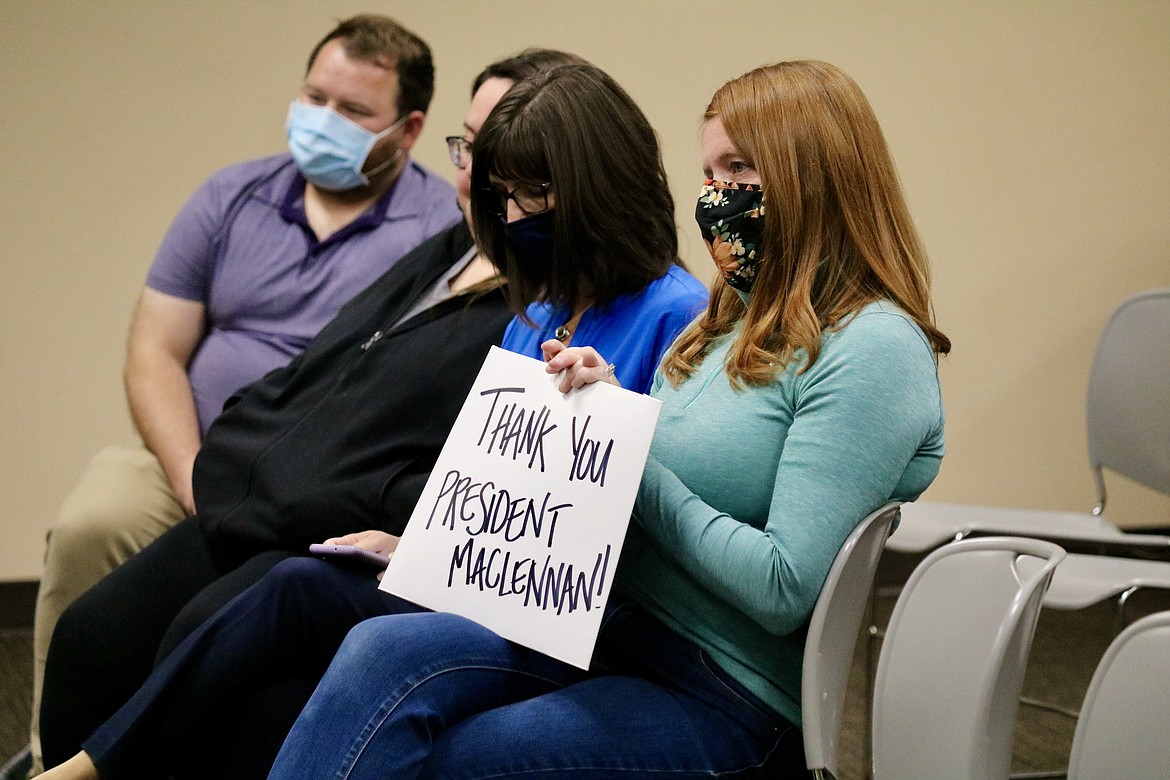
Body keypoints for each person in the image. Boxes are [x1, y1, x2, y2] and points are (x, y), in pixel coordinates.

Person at [263, 59, 952, 779]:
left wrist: (631, 459)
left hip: (726, 689)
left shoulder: (873, 347)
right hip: (608, 627)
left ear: (814, 175)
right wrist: (605, 408)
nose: (715, 196)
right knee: (377, 649)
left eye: (739, 168)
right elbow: (664, 470)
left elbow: (783, 588)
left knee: (464, 759)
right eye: (710, 170)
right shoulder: (731, 320)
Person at [37, 58, 708, 778]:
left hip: (565, 620)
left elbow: (649, 515)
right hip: (473, 580)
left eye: (533, 193)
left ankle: (89, 770)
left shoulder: (677, 311)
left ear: (598, 185)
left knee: (287, 620)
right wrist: (414, 539)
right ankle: (91, 766)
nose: (512, 217)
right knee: (282, 630)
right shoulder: (541, 309)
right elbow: (490, 478)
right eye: (503, 193)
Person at [26, 13, 459, 775]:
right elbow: (154, 352)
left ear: (409, 127)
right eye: (314, 97)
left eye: (353, 112)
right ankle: (46, 751)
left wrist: (258, 490)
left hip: (316, 477)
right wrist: (197, 474)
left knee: (231, 609)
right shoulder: (232, 196)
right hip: (188, 455)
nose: (324, 122)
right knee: (90, 527)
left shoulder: (435, 232)